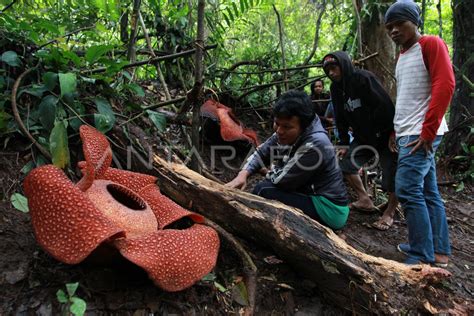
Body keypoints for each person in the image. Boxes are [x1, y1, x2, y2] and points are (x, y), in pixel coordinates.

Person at [385, 0, 454, 265]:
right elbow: (406, 97)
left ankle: (420, 254)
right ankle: (438, 250)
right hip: (409, 131)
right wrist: (395, 131)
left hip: (421, 133)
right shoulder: (403, 55)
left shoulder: (430, 44)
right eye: (389, 27)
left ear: (415, 21)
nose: (393, 31)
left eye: (399, 24)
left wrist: (427, 131)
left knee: (407, 190)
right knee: (427, 191)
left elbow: (445, 85)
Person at [226, 90, 349, 230]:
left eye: (286, 127)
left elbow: (281, 181)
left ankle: (247, 228)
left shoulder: (316, 143)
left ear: (303, 127)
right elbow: (263, 151)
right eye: (276, 123)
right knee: (266, 186)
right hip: (312, 194)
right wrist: (243, 173)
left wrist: (268, 172)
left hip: (329, 209)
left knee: (263, 190)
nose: (279, 130)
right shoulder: (286, 130)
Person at [322, 51, 399, 231]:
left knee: (392, 175)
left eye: (334, 68)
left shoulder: (364, 79)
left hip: (385, 135)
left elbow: (385, 105)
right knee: (346, 164)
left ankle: (390, 212)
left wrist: (393, 132)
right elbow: (340, 117)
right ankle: (364, 199)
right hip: (363, 138)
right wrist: (343, 143)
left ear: (344, 65)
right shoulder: (336, 89)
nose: (332, 73)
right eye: (328, 70)